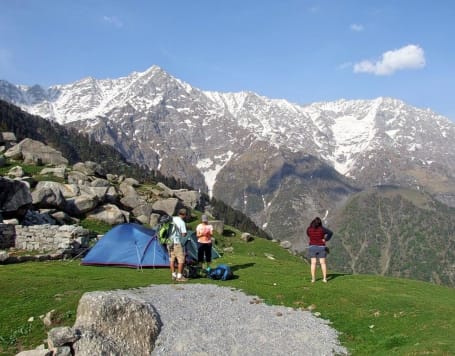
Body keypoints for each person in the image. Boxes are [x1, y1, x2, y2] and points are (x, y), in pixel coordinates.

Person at [306, 217, 333, 283]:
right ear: (320, 223)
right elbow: (330, 233)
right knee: (323, 263)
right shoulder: (322, 229)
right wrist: (325, 239)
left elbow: (308, 234)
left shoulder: (309, 229)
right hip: (321, 247)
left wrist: (313, 238)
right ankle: (324, 279)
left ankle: (313, 279)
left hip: (312, 247)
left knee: (313, 263)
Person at [169, 208, 188, 282]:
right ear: (184, 215)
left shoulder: (172, 219)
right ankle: (179, 277)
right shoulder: (181, 222)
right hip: (176, 242)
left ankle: (173, 275)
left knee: (172, 259)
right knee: (181, 259)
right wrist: (184, 233)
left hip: (169, 242)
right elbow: (183, 234)